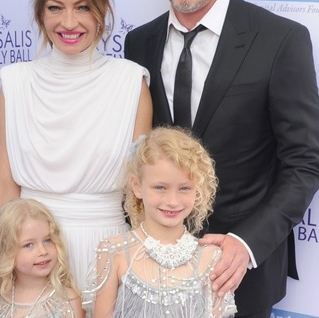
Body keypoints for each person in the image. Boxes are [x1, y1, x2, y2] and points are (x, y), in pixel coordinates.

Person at [124, 0, 319, 317]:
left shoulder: (281, 41)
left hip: (239, 273)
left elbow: (304, 164)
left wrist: (245, 243)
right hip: (155, 266)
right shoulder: (138, 43)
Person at [0, 0, 153, 317]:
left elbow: (140, 201)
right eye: (55, 8)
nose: (68, 23)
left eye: (83, 7)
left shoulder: (131, 83)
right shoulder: (15, 84)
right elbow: (5, 187)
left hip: (108, 258)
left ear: (102, 7)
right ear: (40, 12)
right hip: (29, 263)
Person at [82, 127, 237, 318]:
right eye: (160, 188)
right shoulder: (114, 252)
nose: (172, 201)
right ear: (137, 186)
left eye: (184, 188)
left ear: (198, 189)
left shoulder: (212, 257)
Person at [0, 199, 84, 318]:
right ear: (4, 251)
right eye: (28, 245)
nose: (43, 251)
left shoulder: (69, 300)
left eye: (47, 240)